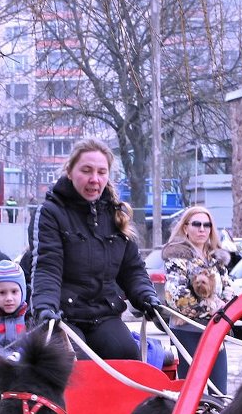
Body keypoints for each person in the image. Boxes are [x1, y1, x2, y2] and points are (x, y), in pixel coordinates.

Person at [30, 138, 159, 359]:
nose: (94, 179)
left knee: (128, 357)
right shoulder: (51, 212)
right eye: (86, 171)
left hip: (104, 314)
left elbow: (132, 269)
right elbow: (47, 267)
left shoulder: (116, 215)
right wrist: (44, 308)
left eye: (101, 172)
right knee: (73, 364)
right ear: (70, 172)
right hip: (63, 314)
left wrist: (147, 297)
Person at [161, 205, 234, 391]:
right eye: (197, 224)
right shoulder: (176, 256)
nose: (202, 229)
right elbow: (177, 298)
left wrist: (225, 307)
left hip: (215, 331)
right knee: (192, 392)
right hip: (186, 332)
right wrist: (214, 308)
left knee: (219, 391)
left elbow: (229, 291)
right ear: (186, 228)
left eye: (207, 225)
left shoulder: (217, 258)